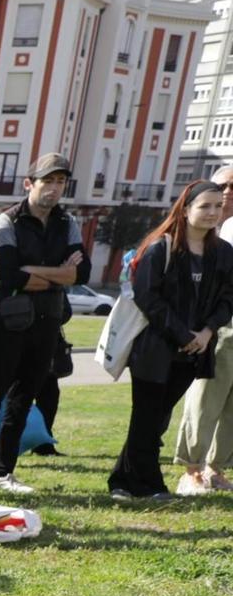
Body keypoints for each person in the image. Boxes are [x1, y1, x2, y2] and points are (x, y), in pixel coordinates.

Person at [0, 153, 88, 496]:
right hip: (9, 324)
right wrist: (60, 274)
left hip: (47, 324)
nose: (55, 189)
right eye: (48, 181)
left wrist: (36, 273)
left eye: (61, 182)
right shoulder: (8, 221)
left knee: (23, 399)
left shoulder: (67, 222)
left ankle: (2, 472)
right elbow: (10, 275)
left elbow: (82, 272)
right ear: (30, 183)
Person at [110, 181, 233, 500]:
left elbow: (227, 299)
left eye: (218, 206)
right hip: (155, 350)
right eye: (204, 206)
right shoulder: (161, 247)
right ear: (186, 208)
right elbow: (146, 296)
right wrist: (181, 334)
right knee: (147, 417)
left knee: (156, 418)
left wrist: (206, 332)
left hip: (194, 352)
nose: (212, 212)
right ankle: (149, 486)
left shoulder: (222, 253)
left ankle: (122, 481)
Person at [173, 163, 233, 495]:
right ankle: (192, 469)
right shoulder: (222, 231)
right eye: (223, 187)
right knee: (206, 400)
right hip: (222, 329)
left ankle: (217, 468)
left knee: (232, 408)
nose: (226, 196)